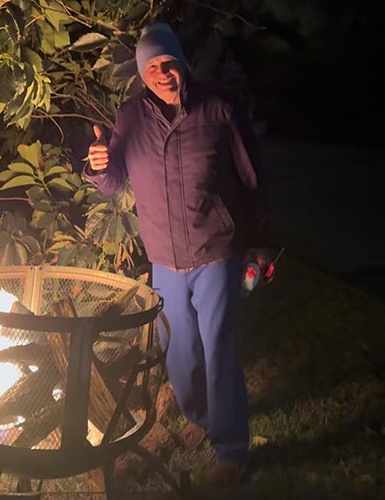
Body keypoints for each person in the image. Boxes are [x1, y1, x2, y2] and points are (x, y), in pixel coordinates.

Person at [85, 22, 268, 487]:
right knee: (179, 355)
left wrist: (258, 238)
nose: (163, 73)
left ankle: (231, 452)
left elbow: (250, 177)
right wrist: (98, 165)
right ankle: (202, 417)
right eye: (152, 67)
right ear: (141, 73)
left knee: (218, 349)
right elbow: (113, 181)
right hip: (164, 259)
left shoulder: (217, 108)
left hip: (215, 250)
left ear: (182, 62)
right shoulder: (131, 117)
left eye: (169, 63)